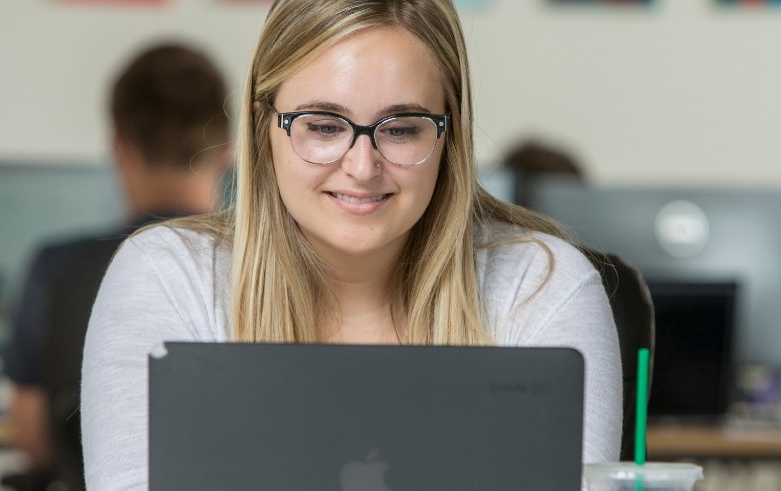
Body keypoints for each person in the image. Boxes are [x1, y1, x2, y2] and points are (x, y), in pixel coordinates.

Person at [80, 1, 622, 488]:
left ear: (449, 134)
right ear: (262, 130)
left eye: (402, 129)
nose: (362, 167)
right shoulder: (167, 278)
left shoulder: (542, 289)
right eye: (322, 126)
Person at [1, 42, 231, 491]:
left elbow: (33, 435)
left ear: (119, 148)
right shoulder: (259, 269)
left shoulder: (57, 267)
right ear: (226, 149)